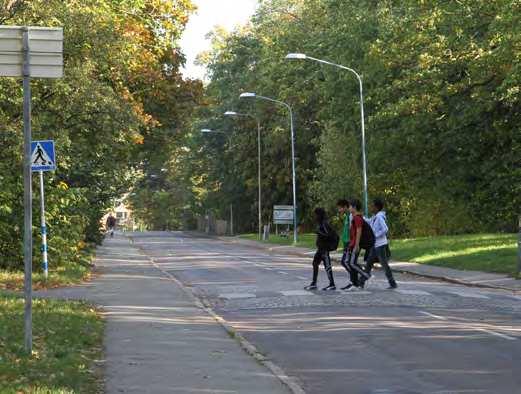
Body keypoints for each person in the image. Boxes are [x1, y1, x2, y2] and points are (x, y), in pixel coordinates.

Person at [361, 198, 397, 289]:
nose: (370, 208)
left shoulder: (380, 217)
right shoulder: (375, 217)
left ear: (376, 208)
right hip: (375, 245)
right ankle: (361, 282)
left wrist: (375, 235)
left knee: (384, 264)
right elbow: (370, 222)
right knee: (369, 263)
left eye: (372, 206)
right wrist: (362, 218)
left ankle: (392, 283)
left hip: (380, 245)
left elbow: (385, 229)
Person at [304, 207, 337, 291]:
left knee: (327, 266)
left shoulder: (324, 224)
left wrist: (319, 233)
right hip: (320, 249)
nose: (314, 216)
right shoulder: (321, 223)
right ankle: (314, 283)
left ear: (319, 215)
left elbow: (328, 235)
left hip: (324, 249)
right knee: (315, 263)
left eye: (315, 214)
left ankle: (332, 284)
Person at [342, 199, 371, 290]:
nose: (349, 208)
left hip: (355, 244)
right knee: (348, 262)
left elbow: (359, 231)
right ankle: (355, 283)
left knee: (352, 263)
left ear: (354, 207)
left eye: (350, 206)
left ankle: (366, 274)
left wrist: (357, 245)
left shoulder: (357, 218)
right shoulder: (354, 217)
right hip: (352, 243)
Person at [337, 199, 354, 286]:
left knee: (346, 262)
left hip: (349, 243)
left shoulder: (351, 216)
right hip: (346, 242)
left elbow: (352, 230)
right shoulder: (347, 216)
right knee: (346, 262)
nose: (339, 210)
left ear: (345, 207)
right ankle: (354, 279)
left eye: (340, 208)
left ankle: (354, 279)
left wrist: (351, 242)